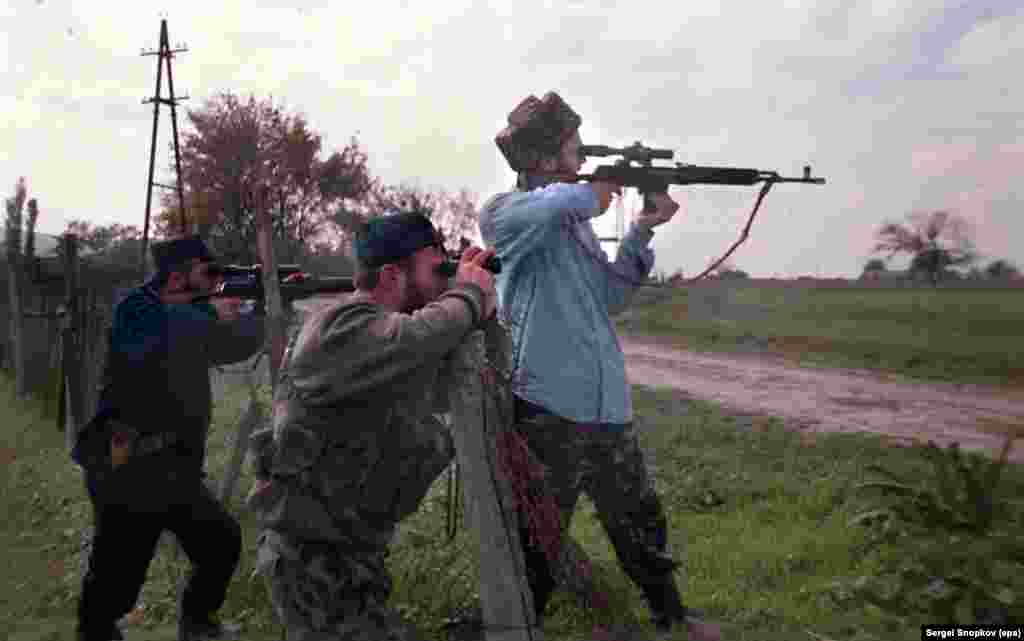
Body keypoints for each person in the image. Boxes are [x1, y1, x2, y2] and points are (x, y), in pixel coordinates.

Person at [478, 91, 721, 641]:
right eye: (573, 147)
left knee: (640, 525)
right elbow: (564, 203)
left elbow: (607, 295)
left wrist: (642, 230)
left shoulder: (573, 220)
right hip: (546, 406)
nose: (583, 154)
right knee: (538, 537)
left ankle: (672, 620)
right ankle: (517, 629)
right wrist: (599, 190)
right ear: (542, 159)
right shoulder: (506, 214)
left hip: (604, 403)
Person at [245, 212, 498, 641]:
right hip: (309, 556)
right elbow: (419, 334)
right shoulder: (340, 327)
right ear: (390, 274)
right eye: (434, 262)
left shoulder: (388, 346)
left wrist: (479, 307)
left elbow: (470, 374)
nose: (444, 271)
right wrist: (469, 295)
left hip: (350, 550)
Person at [72, 235, 267, 641]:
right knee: (116, 577)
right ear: (177, 277)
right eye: (206, 272)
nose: (214, 279)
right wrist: (213, 314)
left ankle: (197, 624)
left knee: (222, 544)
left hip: (175, 468)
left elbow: (234, 345)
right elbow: (167, 336)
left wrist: (265, 308)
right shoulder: (137, 310)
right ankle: (96, 632)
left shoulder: (193, 314)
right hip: (128, 467)